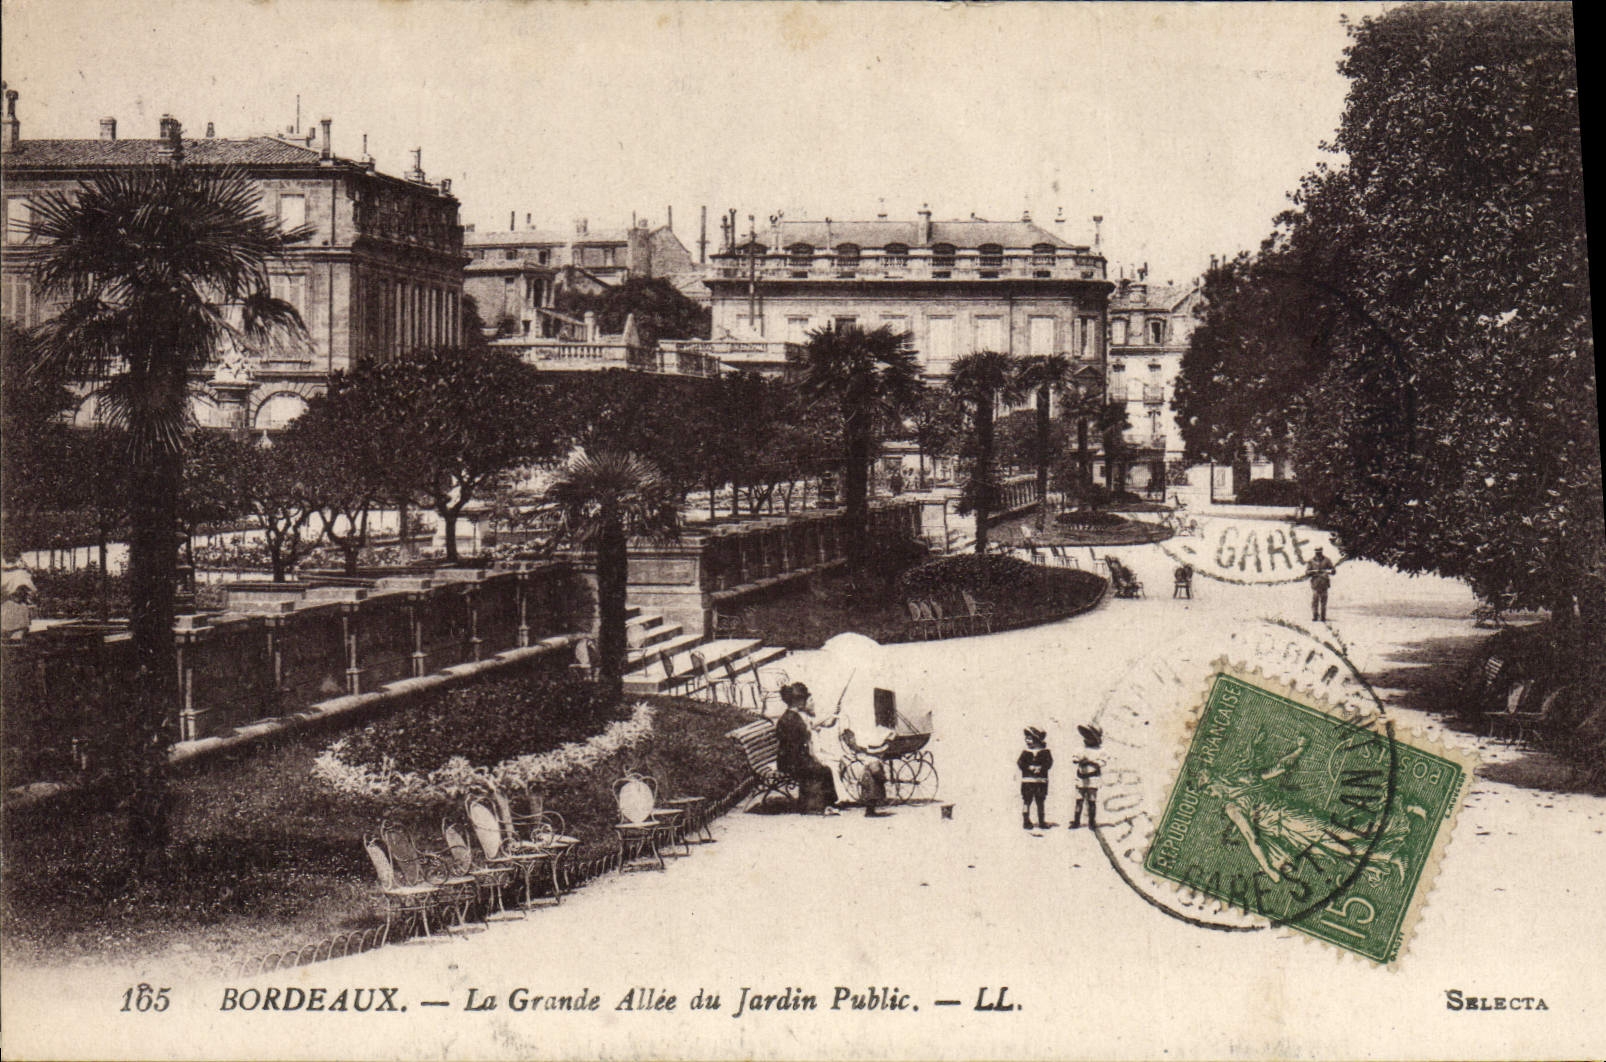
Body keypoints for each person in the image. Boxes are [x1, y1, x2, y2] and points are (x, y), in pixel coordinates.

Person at [777, 683, 838, 813]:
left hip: (794, 758)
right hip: (790, 762)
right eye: (805, 699)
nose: (806, 702)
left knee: (824, 769)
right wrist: (812, 760)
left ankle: (827, 803)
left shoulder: (794, 717)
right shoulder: (790, 720)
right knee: (822, 770)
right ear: (797, 701)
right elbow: (794, 749)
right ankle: (817, 805)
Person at [1018, 727, 1053, 830]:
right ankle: (1026, 821)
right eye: (1026, 738)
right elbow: (1020, 763)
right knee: (1027, 801)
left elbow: (1048, 763)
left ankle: (1041, 821)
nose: (1027, 740)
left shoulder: (1045, 752)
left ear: (1037, 740)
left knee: (1040, 801)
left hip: (1041, 781)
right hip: (1027, 781)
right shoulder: (1025, 752)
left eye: (1029, 738)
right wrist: (1028, 767)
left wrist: (1041, 768)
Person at [1069, 724, 1103, 829]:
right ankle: (1076, 821)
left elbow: (1101, 763)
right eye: (1086, 736)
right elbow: (1074, 759)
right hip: (1081, 778)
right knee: (1079, 800)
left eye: (1090, 737)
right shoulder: (1080, 749)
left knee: (1091, 800)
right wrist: (1079, 760)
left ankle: (1091, 822)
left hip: (1092, 779)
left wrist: (1090, 761)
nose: (1087, 739)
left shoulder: (1099, 751)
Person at [1306, 547, 1337, 622]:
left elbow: (1333, 570)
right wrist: (1313, 572)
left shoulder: (1327, 560)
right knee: (1315, 601)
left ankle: (1323, 616)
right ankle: (1315, 616)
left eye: (1319, 552)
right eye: (1317, 552)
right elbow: (1307, 572)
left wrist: (1328, 571)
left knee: (1323, 601)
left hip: (1324, 583)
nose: (1318, 553)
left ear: (1322, 552)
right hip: (1315, 584)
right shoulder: (1311, 561)